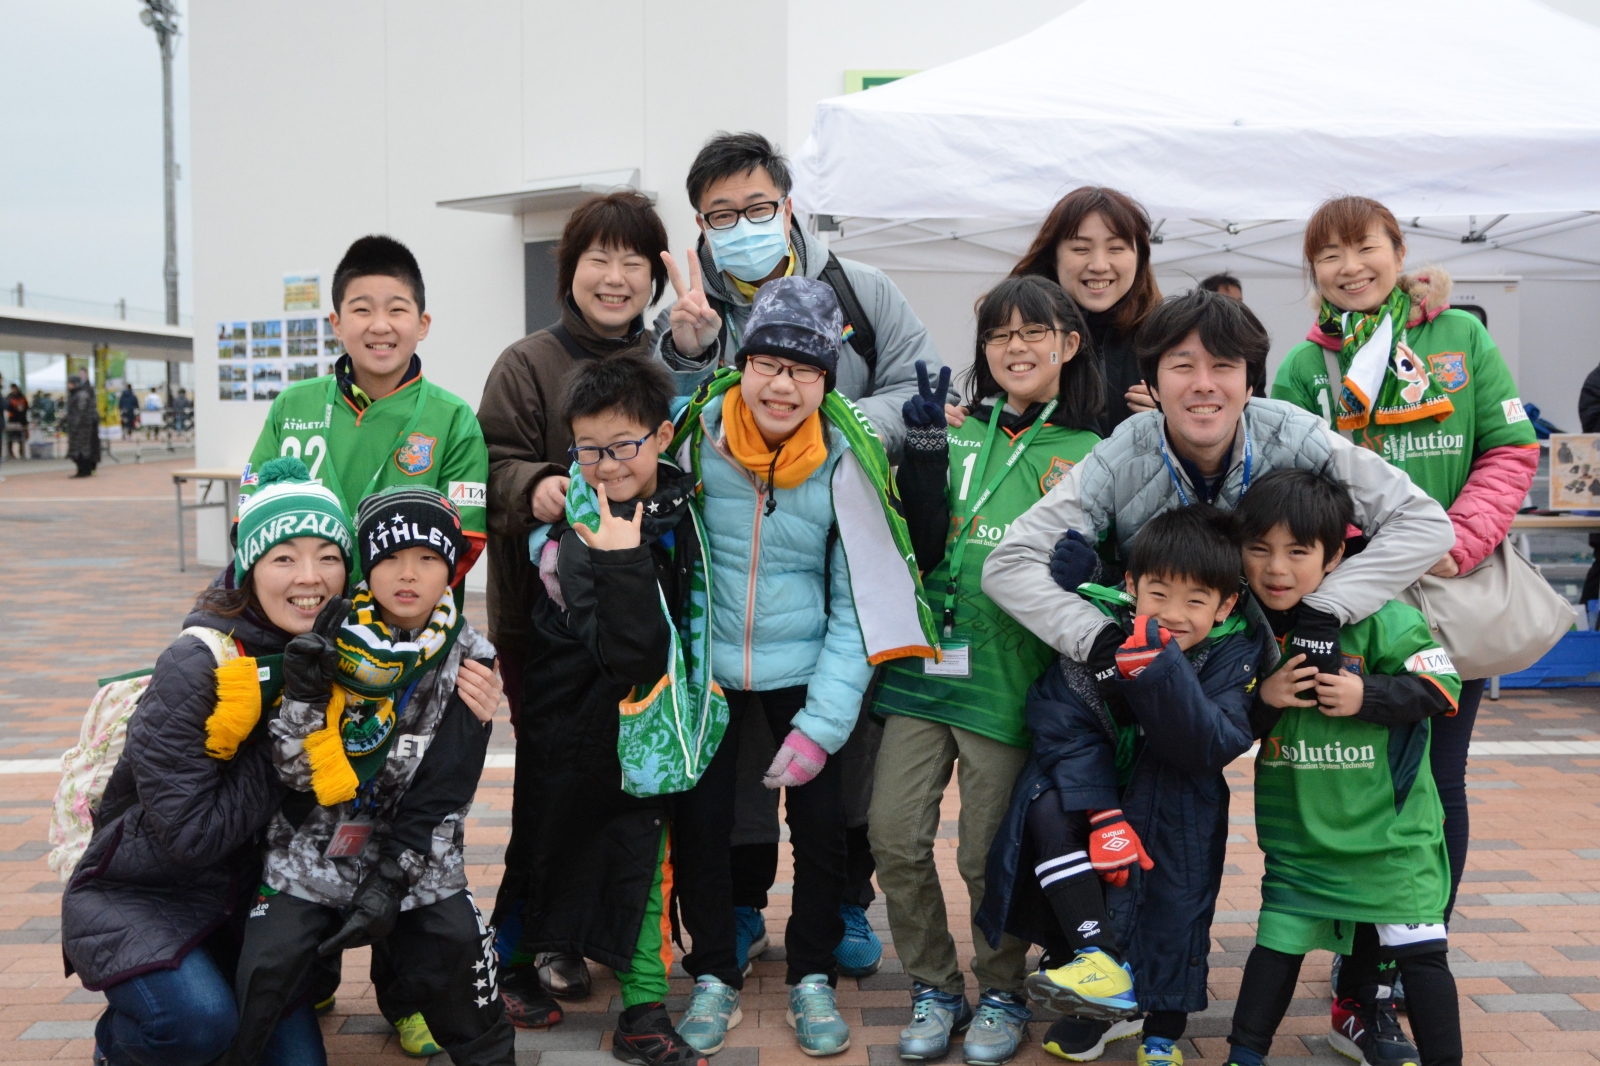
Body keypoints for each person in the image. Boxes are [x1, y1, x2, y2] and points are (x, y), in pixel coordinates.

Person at [979, 289, 1456, 1059]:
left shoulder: (1294, 433)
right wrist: (1097, 637)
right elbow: (1009, 564)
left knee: (1366, 822)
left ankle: (1363, 1000)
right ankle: (1105, 985)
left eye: (1224, 366)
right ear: (1152, 379)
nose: (1204, 384)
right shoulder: (1127, 449)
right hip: (1147, 674)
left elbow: (1425, 522)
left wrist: (1327, 608)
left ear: (1250, 378)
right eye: (1182, 366)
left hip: (1278, 672)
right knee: (1080, 807)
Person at [652, 130, 939, 973]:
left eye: (757, 207)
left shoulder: (861, 289)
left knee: (842, 745)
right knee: (735, 767)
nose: (742, 225)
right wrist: (690, 354)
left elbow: (921, 390)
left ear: (789, 206)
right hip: (728, 590)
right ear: (700, 225)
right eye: (721, 215)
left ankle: (845, 901)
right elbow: (657, 431)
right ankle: (739, 906)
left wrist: (833, 432)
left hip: (833, 539)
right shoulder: (690, 305)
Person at [1270, 196, 1537, 1045]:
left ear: (1398, 250)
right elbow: (1290, 485)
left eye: (1365, 248)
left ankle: (1401, 963)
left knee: (1438, 784)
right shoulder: (1303, 369)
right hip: (1352, 605)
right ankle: (1359, 982)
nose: (1350, 267)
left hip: (1452, 595)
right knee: (1357, 784)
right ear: (1312, 271)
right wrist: (1350, 564)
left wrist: (1456, 539)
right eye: (1329, 255)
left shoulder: (1459, 337)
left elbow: (1508, 447)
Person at [868, 275, 1103, 1065]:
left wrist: (1091, 571)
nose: (1015, 347)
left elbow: (1111, 571)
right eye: (1000, 334)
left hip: (1008, 677)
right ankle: (935, 985)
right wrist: (923, 455)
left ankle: (1002, 989)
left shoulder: (1091, 450)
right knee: (894, 834)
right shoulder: (956, 427)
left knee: (983, 855)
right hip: (922, 665)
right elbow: (919, 536)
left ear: (1069, 344)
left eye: (1033, 332)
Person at [61, 458, 356, 1065]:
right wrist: (289, 728)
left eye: (329, 556)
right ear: (249, 569)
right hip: (148, 893)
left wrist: (469, 694)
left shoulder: (344, 654)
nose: (310, 577)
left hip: (248, 907)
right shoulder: (196, 665)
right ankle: (119, 1045)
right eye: (283, 558)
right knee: (196, 1024)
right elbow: (190, 837)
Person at [228, 483, 514, 1066]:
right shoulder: (327, 633)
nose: (408, 574)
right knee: (262, 972)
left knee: (463, 961)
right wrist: (305, 695)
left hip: (415, 854)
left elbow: (445, 792)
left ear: (452, 567)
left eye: (428, 557)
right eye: (390, 557)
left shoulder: (472, 657)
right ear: (366, 564)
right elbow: (294, 775)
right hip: (312, 848)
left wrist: (393, 875)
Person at [979, 506, 1268, 1066]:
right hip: (1104, 790)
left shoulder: (1235, 649)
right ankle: (1098, 975)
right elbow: (1059, 718)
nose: (1174, 614)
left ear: (1226, 604)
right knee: (1047, 806)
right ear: (1131, 585)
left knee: (1174, 908)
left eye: (1196, 601)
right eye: (1159, 594)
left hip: (1181, 803)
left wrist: (1160, 671)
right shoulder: (1098, 631)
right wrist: (1105, 815)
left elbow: (1207, 745)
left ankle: (1161, 1029)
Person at [478, 190, 672, 1012]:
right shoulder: (527, 363)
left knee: (630, 790)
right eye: (600, 257)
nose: (615, 276)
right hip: (544, 628)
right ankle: (533, 941)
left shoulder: (667, 362)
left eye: (634, 260)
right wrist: (536, 485)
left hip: (647, 625)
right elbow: (486, 465)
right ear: (570, 269)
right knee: (552, 787)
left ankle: (605, 936)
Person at [496, 354, 714, 1066]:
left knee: (642, 857)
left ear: (662, 435)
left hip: (648, 717)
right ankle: (509, 965)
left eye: (624, 445)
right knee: (543, 841)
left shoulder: (683, 505)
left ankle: (643, 1012)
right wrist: (619, 562)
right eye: (589, 450)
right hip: (572, 714)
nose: (608, 465)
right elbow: (630, 654)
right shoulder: (577, 537)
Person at [1224, 470, 1462, 1066]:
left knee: (1422, 957)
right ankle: (1243, 1057)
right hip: (1299, 844)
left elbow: (1443, 685)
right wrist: (1263, 699)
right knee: (1275, 949)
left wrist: (1367, 695)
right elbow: (1217, 724)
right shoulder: (1243, 628)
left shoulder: (1385, 617)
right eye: (1259, 549)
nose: (1276, 569)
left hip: (1391, 842)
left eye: (1298, 552)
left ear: (1334, 557)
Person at [241, 235, 489, 582]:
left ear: (422, 324)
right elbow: (249, 520)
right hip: (303, 603)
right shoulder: (293, 404)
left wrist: (384, 605)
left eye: (396, 309)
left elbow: (465, 542)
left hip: (407, 614)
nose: (380, 325)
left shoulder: (453, 418)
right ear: (337, 325)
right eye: (362, 310)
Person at [1009, 187, 1163, 436]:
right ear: (1053, 256)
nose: (1099, 266)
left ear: (1140, 256)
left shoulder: (1168, 338)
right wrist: (966, 416)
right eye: (1081, 249)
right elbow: (991, 408)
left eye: (1116, 248)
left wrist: (1175, 419)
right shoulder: (1016, 332)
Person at [65, 373, 101, 477]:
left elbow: (80, 413)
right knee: (82, 450)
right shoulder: (79, 394)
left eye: (70, 383)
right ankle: (84, 469)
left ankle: (84, 470)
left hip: (82, 429)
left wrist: (74, 425)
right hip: (82, 429)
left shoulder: (81, 395)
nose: (68, 385)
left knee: (81, 450)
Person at [5, 382, 27, 458]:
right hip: (12, 420)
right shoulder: (9, 397)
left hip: (20, 420)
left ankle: (21, 452)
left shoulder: (21, 397)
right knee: (10, 437)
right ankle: (10, 453)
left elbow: (25, 407)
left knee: (21, 437)